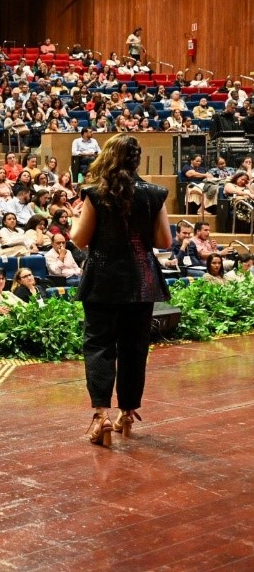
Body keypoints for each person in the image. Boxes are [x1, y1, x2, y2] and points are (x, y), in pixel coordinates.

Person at [71, 134, 171, 448]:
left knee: (99, 345)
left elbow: (79, 239)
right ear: (136, 160)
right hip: (142, 283)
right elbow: (164, 242)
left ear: (107, 157)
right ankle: (127, 413)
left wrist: (76, 218)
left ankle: (101, 415)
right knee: (134, 347)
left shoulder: (96, 193)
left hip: (103, 281)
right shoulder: (154, 194)